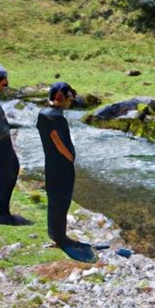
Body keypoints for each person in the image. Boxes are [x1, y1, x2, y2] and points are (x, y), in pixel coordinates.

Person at [36, 82, 96, 263]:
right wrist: (69, 156)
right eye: (69, 99)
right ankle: (61, 238)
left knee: (54, 199)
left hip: (50, 165)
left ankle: (54, 234)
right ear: (62, 98)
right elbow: (56, 139)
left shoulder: (43, 114)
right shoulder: (57, 118)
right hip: (62, 166)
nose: (70, 103)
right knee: (62, 201)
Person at [0, 64, 31, 225]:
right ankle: (2, 215)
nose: (6, 82)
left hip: (0, 143)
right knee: (6, 176)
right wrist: (24, 124)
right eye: (4, 79)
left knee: (12, 170)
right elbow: (2, 125)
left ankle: (4, 212)